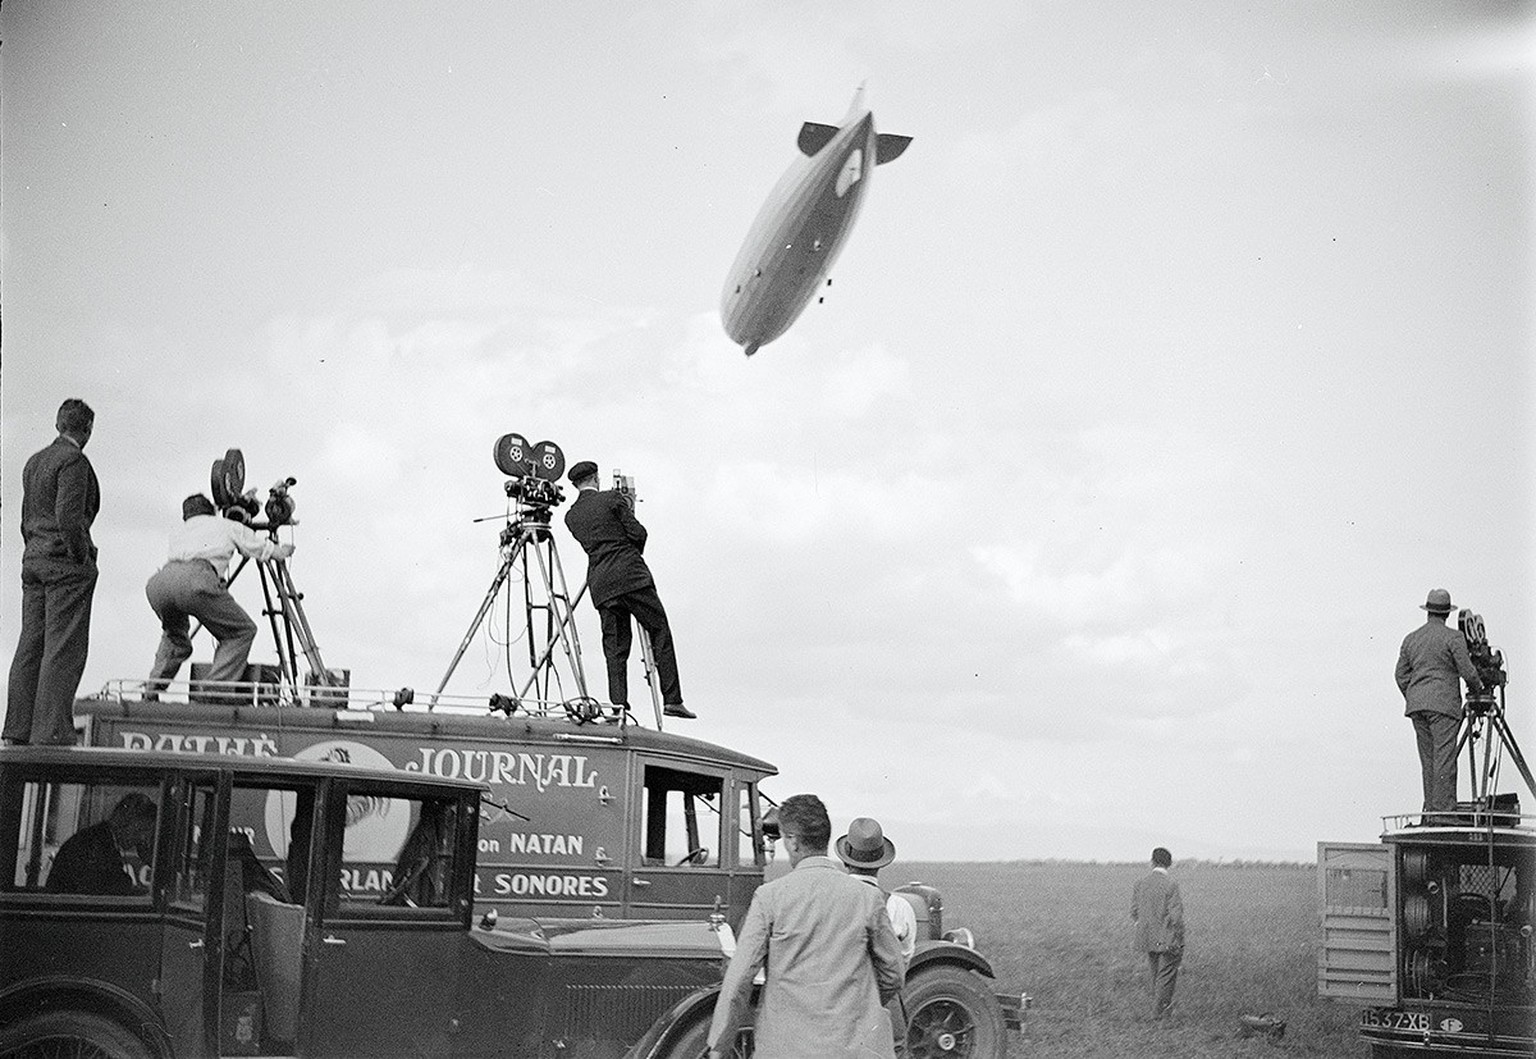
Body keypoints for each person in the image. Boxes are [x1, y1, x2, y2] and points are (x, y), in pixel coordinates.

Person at [708, 794, 906, 1058]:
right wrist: (860, 1006)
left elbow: (739, 979)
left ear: (792, 840)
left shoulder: (770, 897)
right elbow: (893, 973)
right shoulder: (867, 898)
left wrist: (719, 1045)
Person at [562, 461, 692, 719]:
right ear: (596, 478)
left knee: (615, 647)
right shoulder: (612, 498)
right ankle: (672, 699)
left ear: (576, 484)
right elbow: (638, 533)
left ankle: (618, 705)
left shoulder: (571, 516)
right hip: (631, 577)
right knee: (659, 630)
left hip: (601, 583)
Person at [4, 399, 101, 747]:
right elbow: (69, 517)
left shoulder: (34, 462)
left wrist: (35, 550)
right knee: (63, 648)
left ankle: (18, 727)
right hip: (63, 565)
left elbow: (24, 517)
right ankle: (52, 731)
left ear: (58, 423)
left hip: (34, 560)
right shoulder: (74, 461)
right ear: (87, 429)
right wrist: (80, 557)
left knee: (30, 645)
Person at [143, 494, 293, 697]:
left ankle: (152, 690)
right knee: (240, 632)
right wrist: (280, 551)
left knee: (175, 638)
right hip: (196, 579)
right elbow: (258, 548)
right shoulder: (226, 525)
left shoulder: (180, 531)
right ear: (213, 510)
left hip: (160, 583)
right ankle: (215, 692)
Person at [1396, 588, 1484, 821]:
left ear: (1428, 612)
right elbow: (1467, 671)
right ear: (1447, 613)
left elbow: (1400, 675)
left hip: (1417, 708)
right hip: (1443, 707)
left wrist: (1416, 694)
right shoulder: (1454, 638)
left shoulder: (1411, 639)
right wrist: (1478, 687)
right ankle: (1444, 814)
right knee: (1444, 760)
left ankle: (1431, 813)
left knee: (1428, 762)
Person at [836, 817, 918, 961]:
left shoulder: (829, 899)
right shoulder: (900, 907)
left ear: (845, 861)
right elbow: (905, 958)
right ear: (881, 863)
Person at [47, 791, 158, 894]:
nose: (143, 838)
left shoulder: (101, 838)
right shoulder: (93, 844)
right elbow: (114, 887)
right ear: (123, 821)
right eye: (141, 830)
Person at [1131, 846, 1184, 1020]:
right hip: (1166, 938)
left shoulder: (1140, 883)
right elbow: (1176, 916)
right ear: (1169, 863)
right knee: (1166, 975)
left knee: (1156, 975)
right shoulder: (1171, 884)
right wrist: (1178, 937)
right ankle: (1159, 1014)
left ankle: (1162, 1010)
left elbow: (1134, 911)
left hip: (1147, 937)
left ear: (1152, 861)